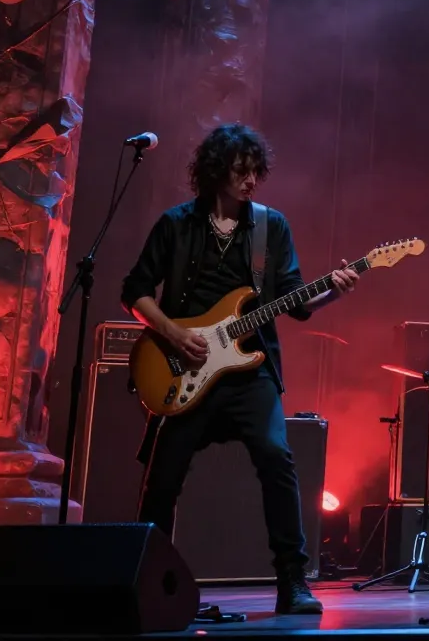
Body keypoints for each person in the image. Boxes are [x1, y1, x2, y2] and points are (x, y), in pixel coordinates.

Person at [121, 124, 358, 615]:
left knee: (276, 456)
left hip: (250, 371)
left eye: (256, 172)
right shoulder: (176, 224)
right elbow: (135, 291)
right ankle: (148, 580)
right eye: (240, 171)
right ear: (216, 171)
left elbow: (296, 301)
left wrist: (332, 291)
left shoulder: (271, 227)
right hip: (184, 368)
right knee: (163, 478)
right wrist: (174, 334)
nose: (251, 181)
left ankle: (293, 582)